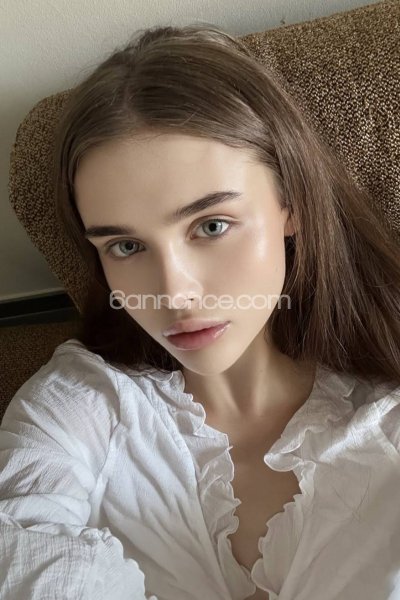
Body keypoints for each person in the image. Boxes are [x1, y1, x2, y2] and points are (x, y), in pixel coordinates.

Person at [1, 24, 400, 600]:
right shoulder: (81, 407)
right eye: (126, 246)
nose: (174, 295)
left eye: (211, 226)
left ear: (291, 205)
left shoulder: (385, 424)